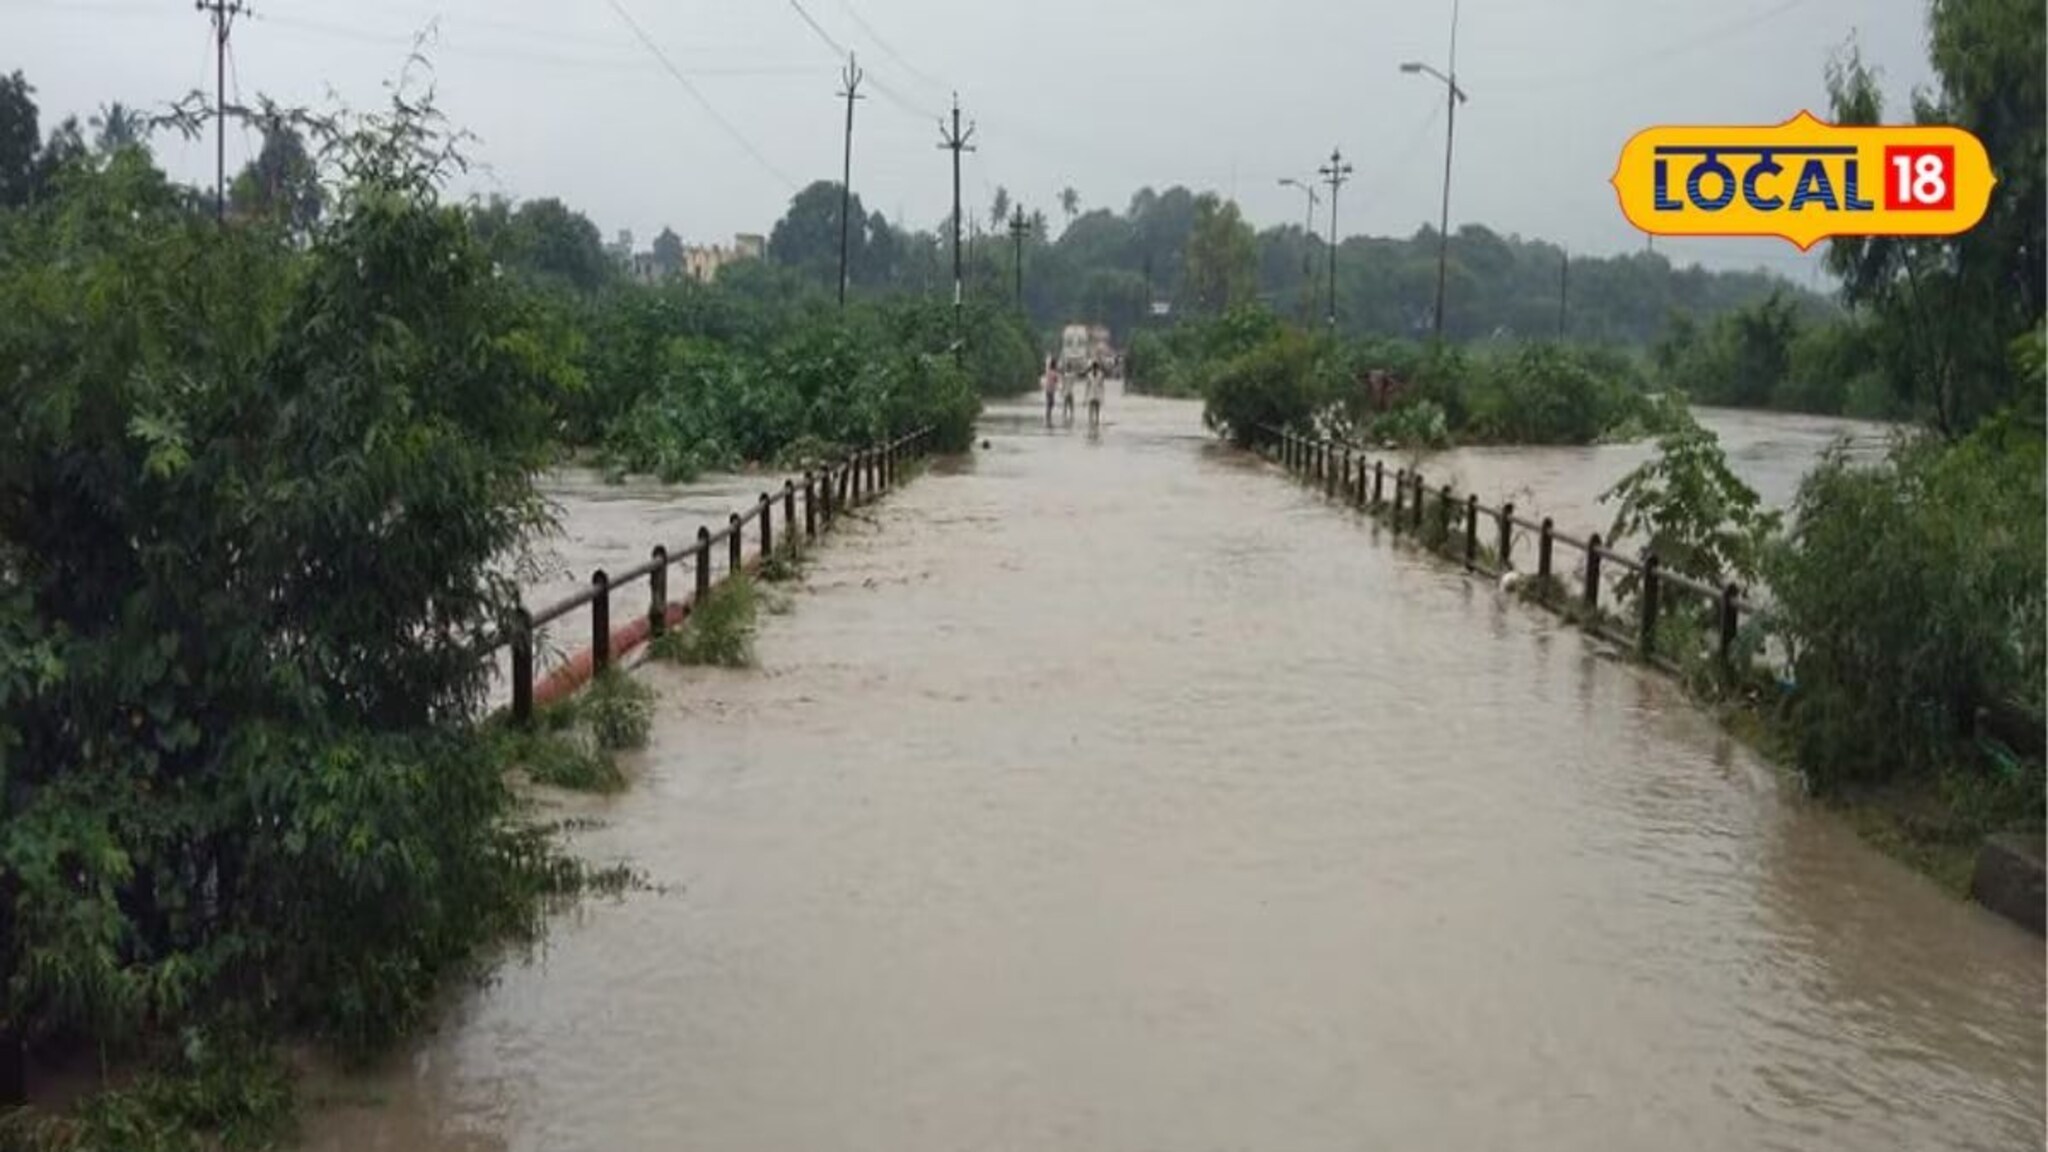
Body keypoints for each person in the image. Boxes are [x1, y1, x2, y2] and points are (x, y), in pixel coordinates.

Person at [1084, 357, 1106, 429]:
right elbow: (1087, 387)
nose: (1095, 369)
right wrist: (1085, 398)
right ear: (1092, 368)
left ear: (1097, 368)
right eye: (1094, 367)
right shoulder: (1089, 375)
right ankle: (1091, 426)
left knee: (1097, 412)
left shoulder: (1101, 375)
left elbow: (1102, 386)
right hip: (1091, 395)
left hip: (1097, 395)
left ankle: (1096, 425)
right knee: (1090, 413)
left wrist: (1102, 397)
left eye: (1096, 367)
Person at [1041, 356, 1059, 427]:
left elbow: (1055, 380)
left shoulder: (1049, 371)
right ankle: (1048, 417)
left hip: (1049, 389)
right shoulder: (1053, 372)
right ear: (1054, 365)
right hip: (1050, 390)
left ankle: (1048, 416)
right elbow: (1056, 380)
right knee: (1051, 403)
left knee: (1050, 403)